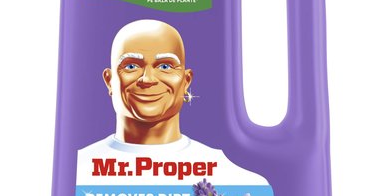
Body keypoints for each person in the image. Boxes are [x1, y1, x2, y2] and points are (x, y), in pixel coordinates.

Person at [77, 19, 267, 186]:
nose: (147, 79)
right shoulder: (77, 173)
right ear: (109, 80)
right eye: (131, 66)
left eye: (165, 66)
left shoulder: (239, 183)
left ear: (186, 81)